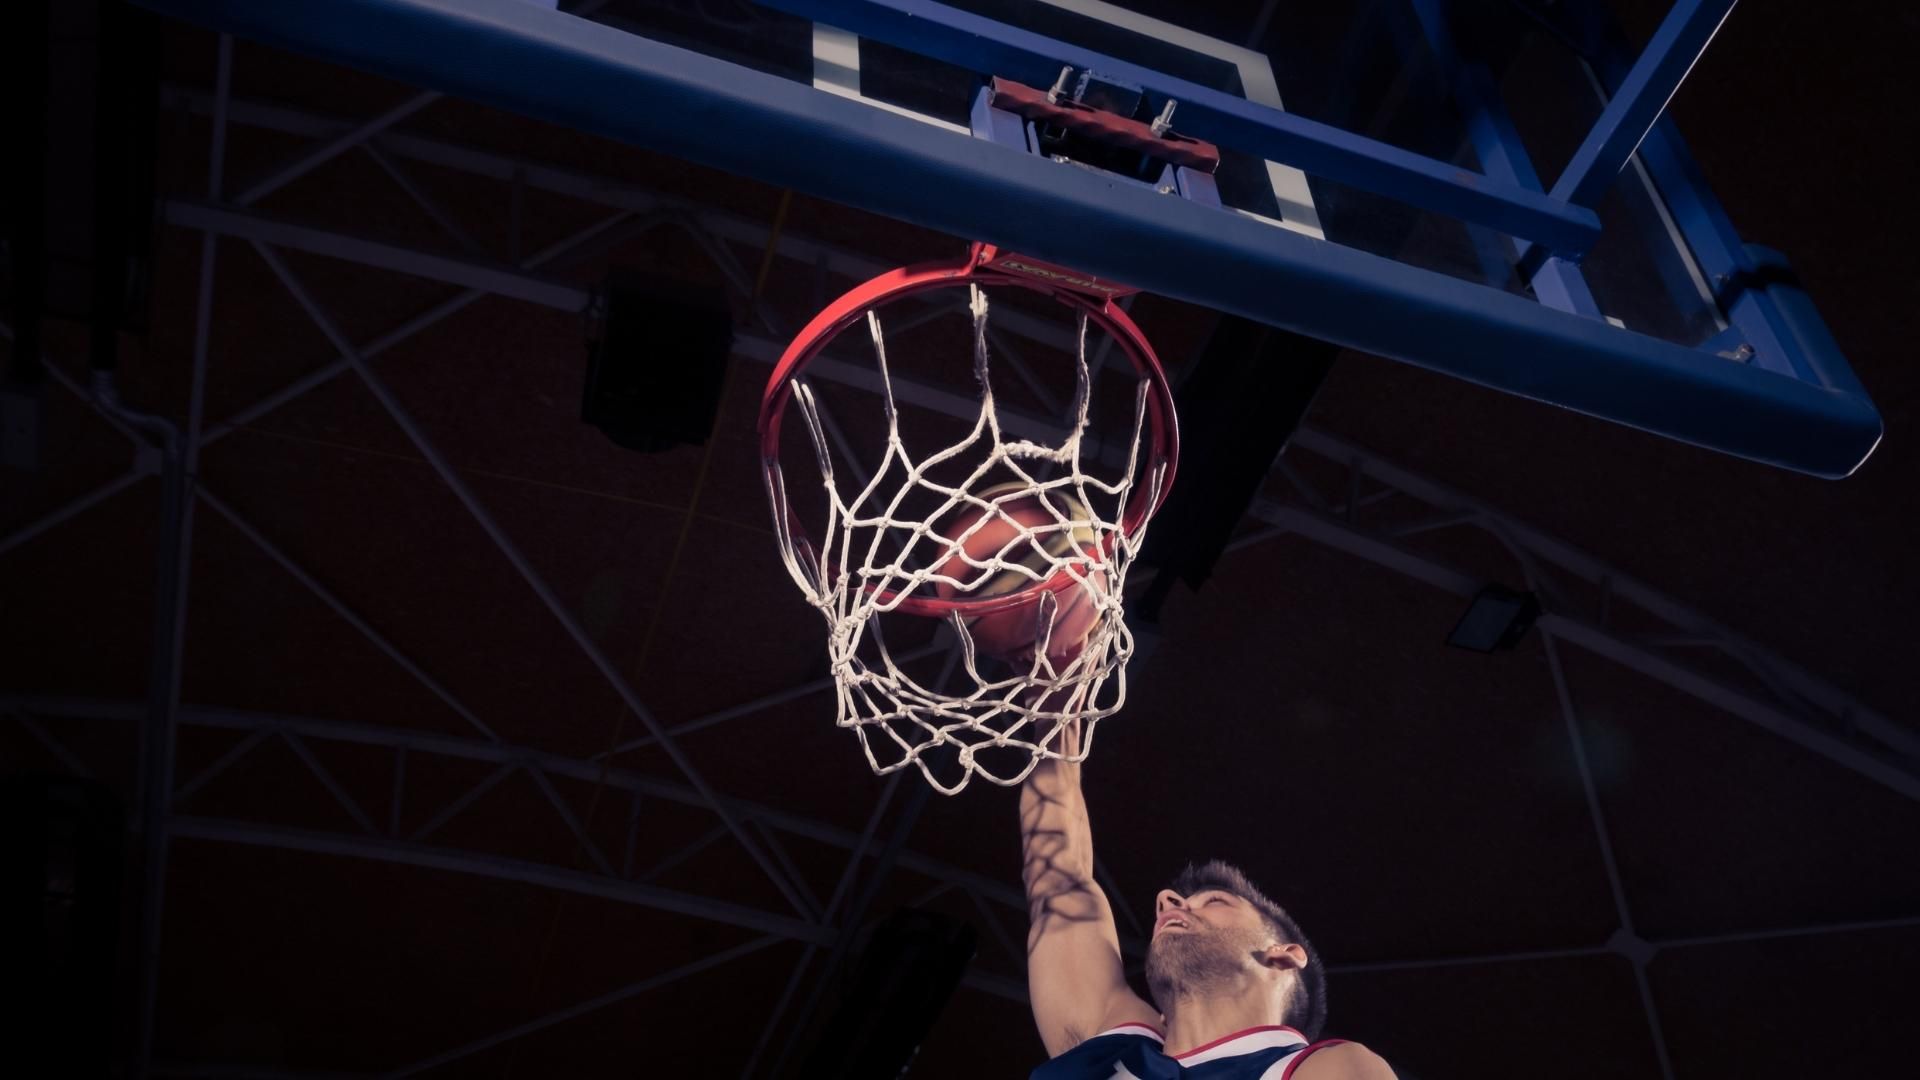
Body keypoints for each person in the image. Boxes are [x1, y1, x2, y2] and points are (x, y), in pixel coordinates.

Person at [1019, 718, 1396, 1078]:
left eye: (1215, 901)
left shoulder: (1326, 1068)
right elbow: (1058, 877)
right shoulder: (1114, 1045)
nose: (1167, 901)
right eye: (1176, 901)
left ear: (1282, 953)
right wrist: (1058, 713)